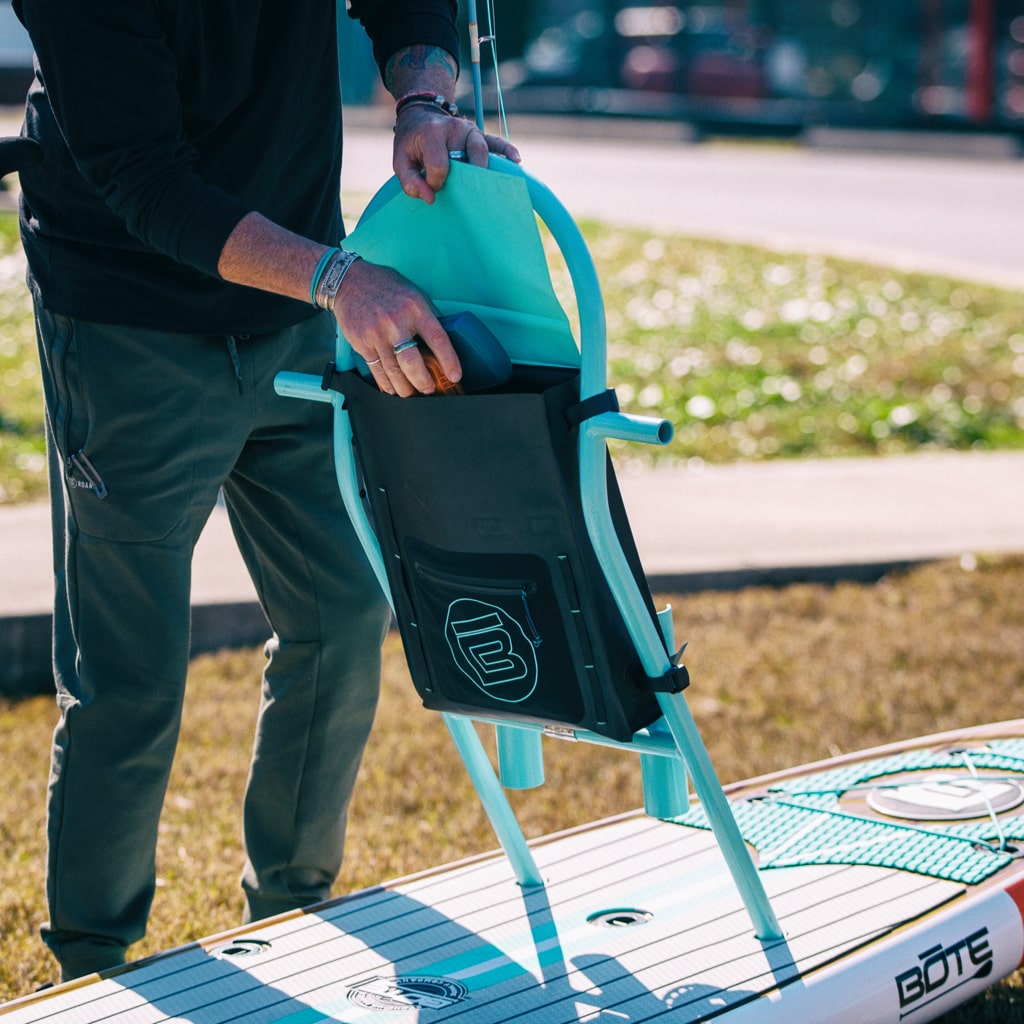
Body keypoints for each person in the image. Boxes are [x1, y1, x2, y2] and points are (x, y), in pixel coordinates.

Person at [14, 0, 520, 983]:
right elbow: (146, 180)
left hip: (297, 306)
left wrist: (423, 98)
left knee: (343, 611)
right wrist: (341, 280)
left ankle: (293, 911)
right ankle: (94, 966)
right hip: (128, 325)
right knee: (128, 672)